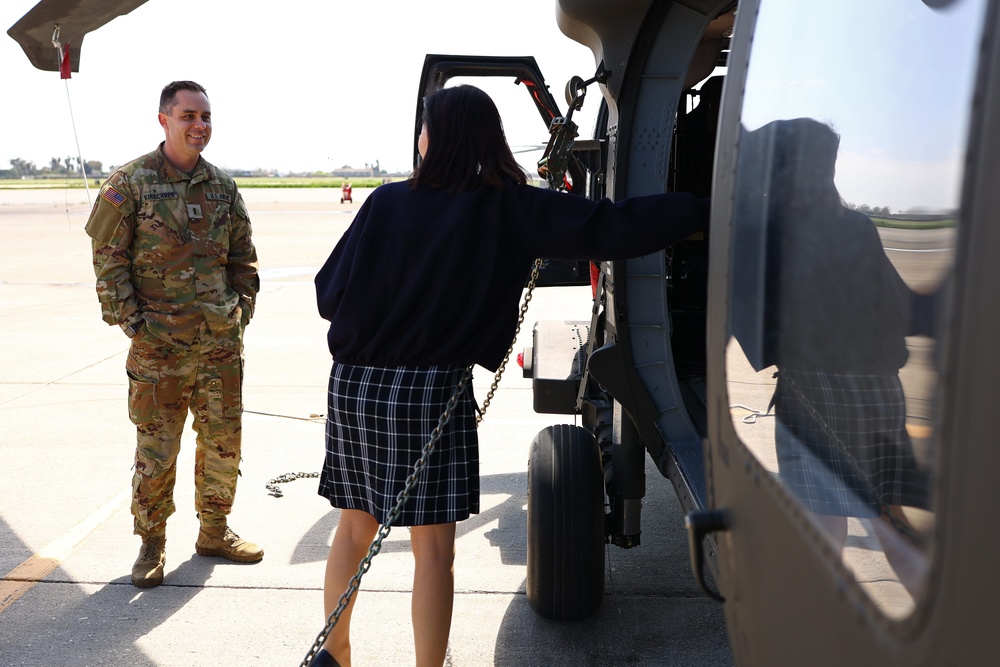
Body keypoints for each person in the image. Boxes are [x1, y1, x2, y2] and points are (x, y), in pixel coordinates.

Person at [310, 84, 708, 667]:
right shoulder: (512, 206)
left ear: (434, 137)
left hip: (353, 384)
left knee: (353, 529)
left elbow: (328, 294)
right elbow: (613, 227)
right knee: (433, 552)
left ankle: (336, 655)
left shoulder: (384, 202)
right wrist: (704, 208)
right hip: (428, 392)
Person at [84, 80, 263, 589]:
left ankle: (214, 531)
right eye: (188, 116)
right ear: (164, 120)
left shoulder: (224, 188)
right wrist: (134, 323)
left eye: (205, 117)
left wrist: (240, 310)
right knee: (157, 450)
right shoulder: (131, 183)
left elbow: (243, 257)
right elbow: (108, 261)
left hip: (220, 346)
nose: (199, 125)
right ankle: (151, 543)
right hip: (159, 347)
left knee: (223, 443)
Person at [743, 118, 931, 597]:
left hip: (813, 393)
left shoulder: (769, 232)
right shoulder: (858, 227)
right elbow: (902, 309)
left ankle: (819, 634)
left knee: (823, 530)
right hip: (880, 391)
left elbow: (749, 318)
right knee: (888, 519)